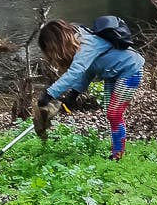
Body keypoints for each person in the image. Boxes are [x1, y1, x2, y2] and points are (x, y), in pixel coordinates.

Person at [36, 19, 145, 160]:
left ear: (56, 41)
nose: (52, 54)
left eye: (50, 49)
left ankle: (118, 156)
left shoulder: (86, 43)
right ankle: (117, 151)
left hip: (130, 69)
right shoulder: (79, 44)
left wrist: (49, 94)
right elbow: (87, 72)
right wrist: (74, 94)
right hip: (113, 74)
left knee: (114, 114)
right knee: (111, 112)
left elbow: (75, 72)